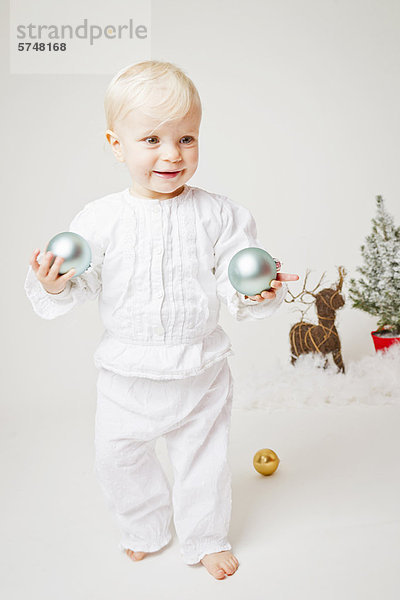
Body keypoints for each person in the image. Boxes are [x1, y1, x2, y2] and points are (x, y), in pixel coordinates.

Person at [24, 60, 299, 580]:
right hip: (126, 373)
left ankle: (205, 536)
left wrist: (256, 291)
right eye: (151, 138)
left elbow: (233, 280)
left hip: (200, 368)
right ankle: (144, 525)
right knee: (118, 457)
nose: (172, 154)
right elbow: (83, 279)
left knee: (204, 460)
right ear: (115, 144)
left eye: (187, 138)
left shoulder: (220, 215)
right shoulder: (99, 219)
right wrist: (55, 283)